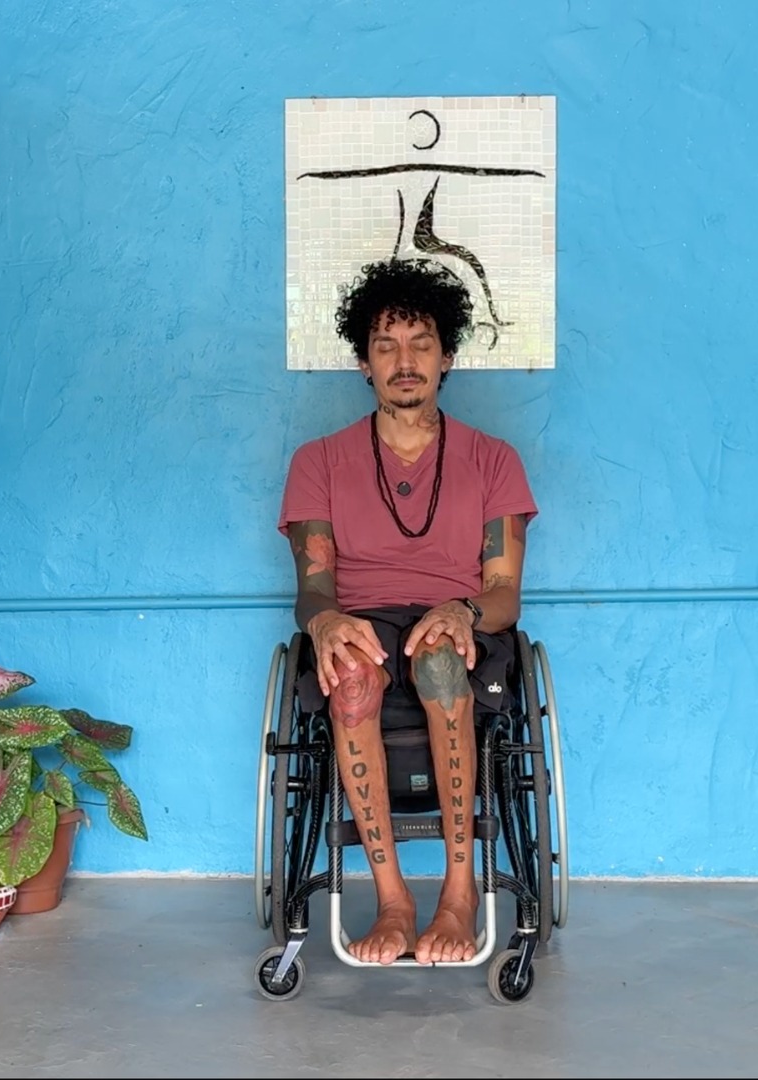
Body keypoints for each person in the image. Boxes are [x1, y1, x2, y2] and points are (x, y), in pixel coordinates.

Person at [277, 258, 538, 966]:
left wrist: (461, 610)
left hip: (463, 625)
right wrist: (325, 622)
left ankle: (458, 896)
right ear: (364, 362)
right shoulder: (318, 462)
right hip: (361, 627)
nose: (404, 361)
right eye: (385, 346)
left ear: (446, 355)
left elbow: (505, 591)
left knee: (442, 660)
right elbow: (314, 586)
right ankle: (393, 902)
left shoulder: (494, 461)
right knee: (352, 671)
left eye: (420, 342)